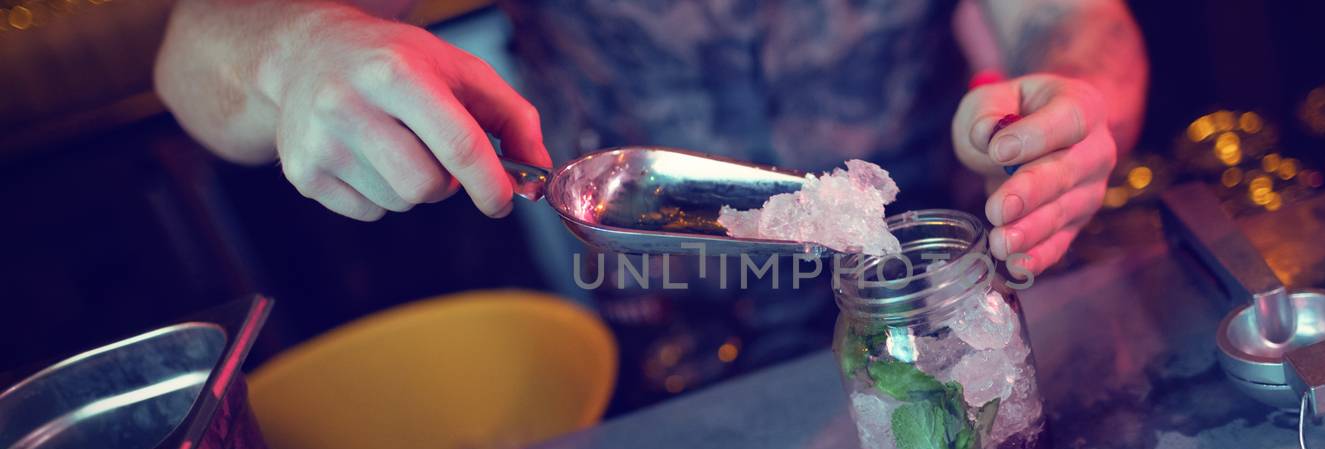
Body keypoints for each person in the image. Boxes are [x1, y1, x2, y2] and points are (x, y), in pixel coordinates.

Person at [155, 0, 1146, 277]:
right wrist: (299, 54)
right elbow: (197, 45)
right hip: (646, 348)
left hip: (924, 284)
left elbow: (1072, 22)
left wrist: (1077, 101)